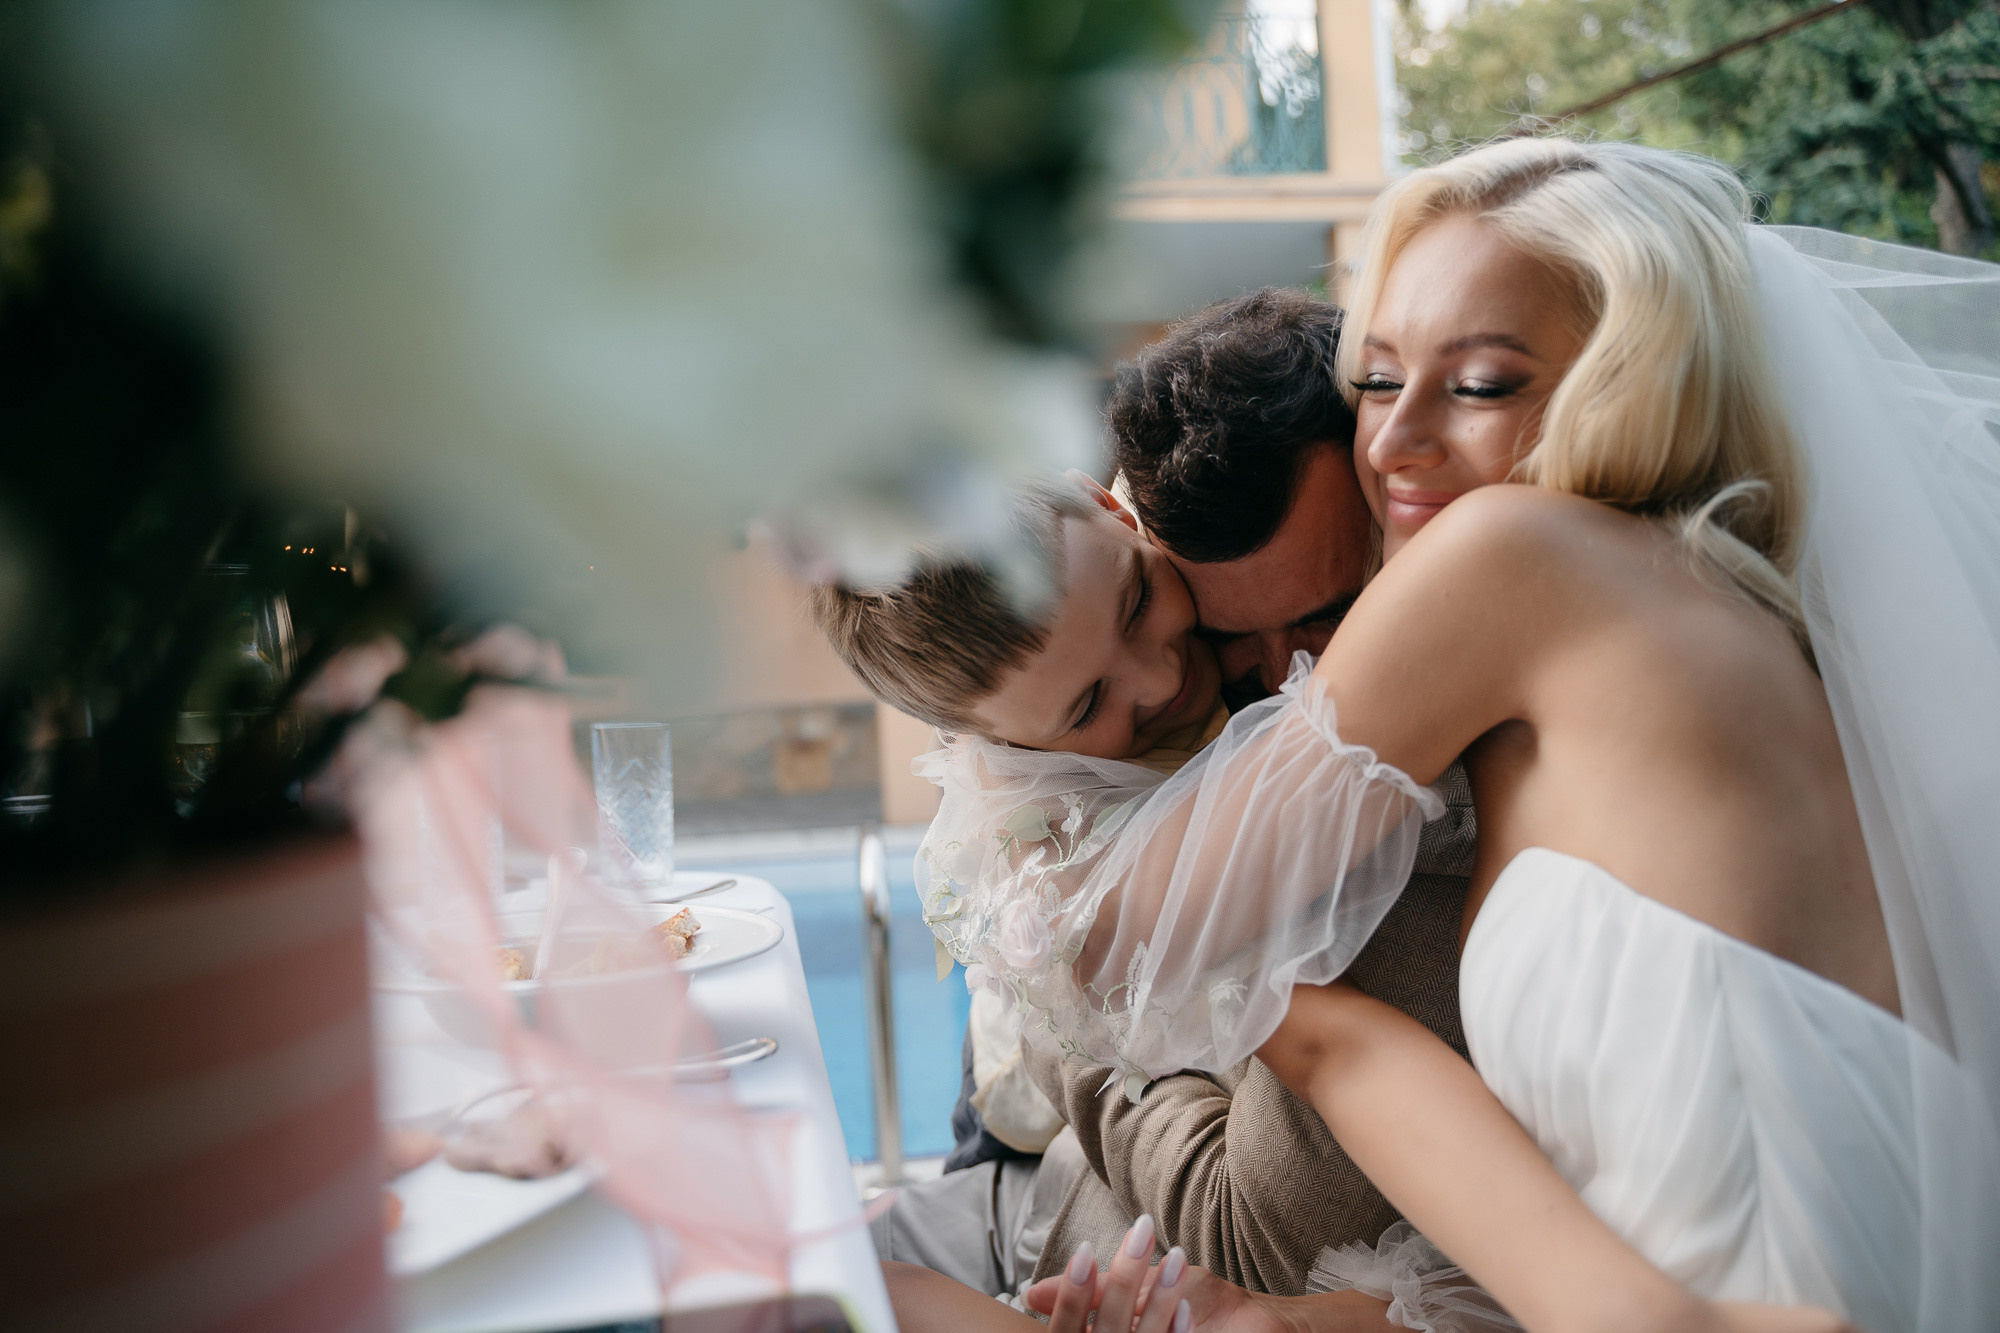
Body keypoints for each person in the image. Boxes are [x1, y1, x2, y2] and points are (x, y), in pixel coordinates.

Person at [819, 136, 2000, 1331]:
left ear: (1631, 373)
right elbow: (1399, 1099)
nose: (1390, 442)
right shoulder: (1678, 614)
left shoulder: (1510, 560)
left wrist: (1002, 818)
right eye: (1378, 380)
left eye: (1479, 382)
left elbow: (1110, 947)